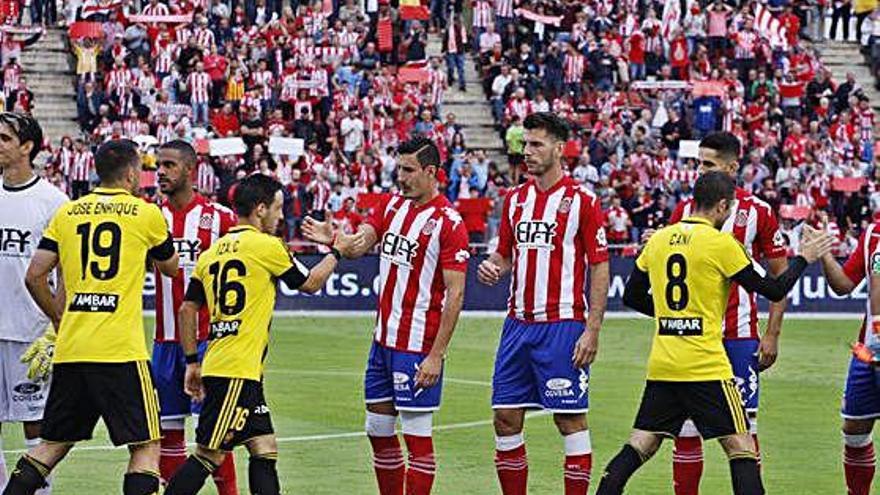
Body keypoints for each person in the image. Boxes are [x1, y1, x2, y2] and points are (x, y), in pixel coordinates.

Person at [596, 171, 833, 495]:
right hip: (705, 365)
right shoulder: (723, 243)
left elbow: (631, 296)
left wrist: (670, 315)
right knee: (741, 446)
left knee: (641, 444)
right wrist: (804, 258)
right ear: (722, 205)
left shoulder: (661, 239)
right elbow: (774, 288)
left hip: (664, 364)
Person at [4, 139, 180, 495]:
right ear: (131, 173)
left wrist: (59, 317)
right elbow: (171, 268)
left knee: (51, 445)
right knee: (146, 446)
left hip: (73, 348)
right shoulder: (146, 213)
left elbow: (35, 275)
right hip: (120, 351)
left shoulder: (68, 213)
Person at [163, 174, 357, 495]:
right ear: (261, 209)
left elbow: (187, 309)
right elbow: (310, 283)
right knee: (207, 456)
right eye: (278, 209)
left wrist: (192, 362)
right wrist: (335, 252)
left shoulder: (212, 253)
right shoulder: (267, 246)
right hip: (235, 371)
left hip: (227, 365)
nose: (281, 217)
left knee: (264, 447)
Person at [302, 136, 471, 495]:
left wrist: (436, 355)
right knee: (377, 430)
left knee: (417, 438)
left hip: (417, 345)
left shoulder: (448, 222)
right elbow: (358, 244)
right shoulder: (392, 206)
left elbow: (456, 293)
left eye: (409, 170)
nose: (401, 177)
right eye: (399, 169)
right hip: (383, 342)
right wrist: (334, 238)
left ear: (431, 172)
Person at [477, 112, 610, 495]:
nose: (527, 152)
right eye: (524, 145)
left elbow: (599, 267)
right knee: (505, 419)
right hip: (517, 324)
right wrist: (493, 268)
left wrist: (592, 330)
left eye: (536, 144)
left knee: (569, 420)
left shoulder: (582, 200)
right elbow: (504, 254)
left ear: (559, 148)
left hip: (563, 325)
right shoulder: (515, 199)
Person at [665, 131, 789, 495]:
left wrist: (771, 334)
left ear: (733, 167)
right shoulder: (683, 212)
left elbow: (780, 278)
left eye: (708, 164)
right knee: (686, 431)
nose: (699, 171)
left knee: (744, 430)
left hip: (739, 337)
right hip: (692, 336)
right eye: (697, 163)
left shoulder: (758, 212)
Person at [151, 140, 239, 493]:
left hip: (210, 342)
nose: (160, 172)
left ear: (190, 169)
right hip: (165, 342)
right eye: (158, 165)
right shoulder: (151, 217)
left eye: (169, 165)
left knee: (214, 434)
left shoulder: (221, 219)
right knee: (168, 433)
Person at [0, 113, 67, 494]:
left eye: (5, 138)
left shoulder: (54, 202)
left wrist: (58, 326)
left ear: (27, 147)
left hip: (30, 335)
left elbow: (67, 274)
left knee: (35, 425)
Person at [819, 218, 880, 495]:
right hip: (869, 351)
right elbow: (843, 284)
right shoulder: (873, 233)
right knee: (854, 428)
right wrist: (824, 252)